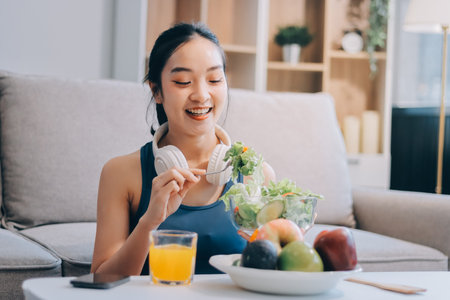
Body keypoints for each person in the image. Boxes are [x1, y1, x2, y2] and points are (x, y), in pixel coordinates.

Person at [90, 22, 276, 276]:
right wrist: (150, 222)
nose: (201, 95)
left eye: (214, 79)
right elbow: (102, 279)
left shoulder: (259, 175)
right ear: (157, 91)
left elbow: (274, 274)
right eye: (183, 81)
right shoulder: (120, 173)